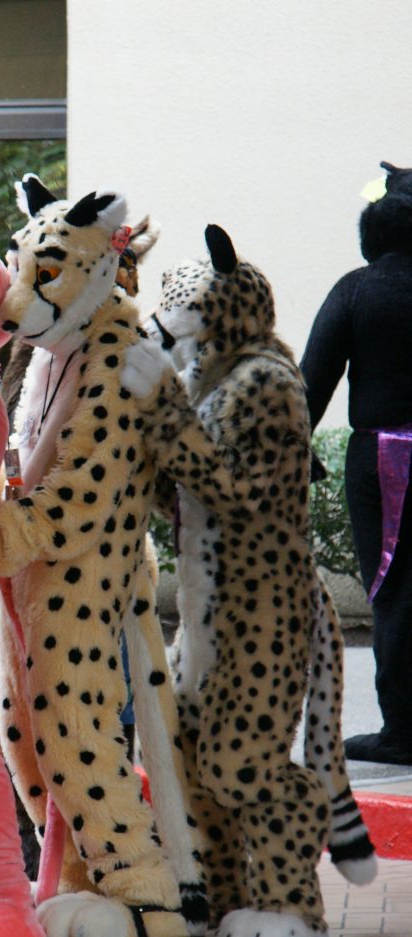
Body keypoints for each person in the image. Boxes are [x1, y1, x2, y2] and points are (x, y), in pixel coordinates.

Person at [300, 160, 412, 765]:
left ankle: (402, 730)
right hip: (388, 455)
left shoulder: (357, 288)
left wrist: (291, 456)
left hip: (386, 458)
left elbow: (309, 386)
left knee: (393, 588)